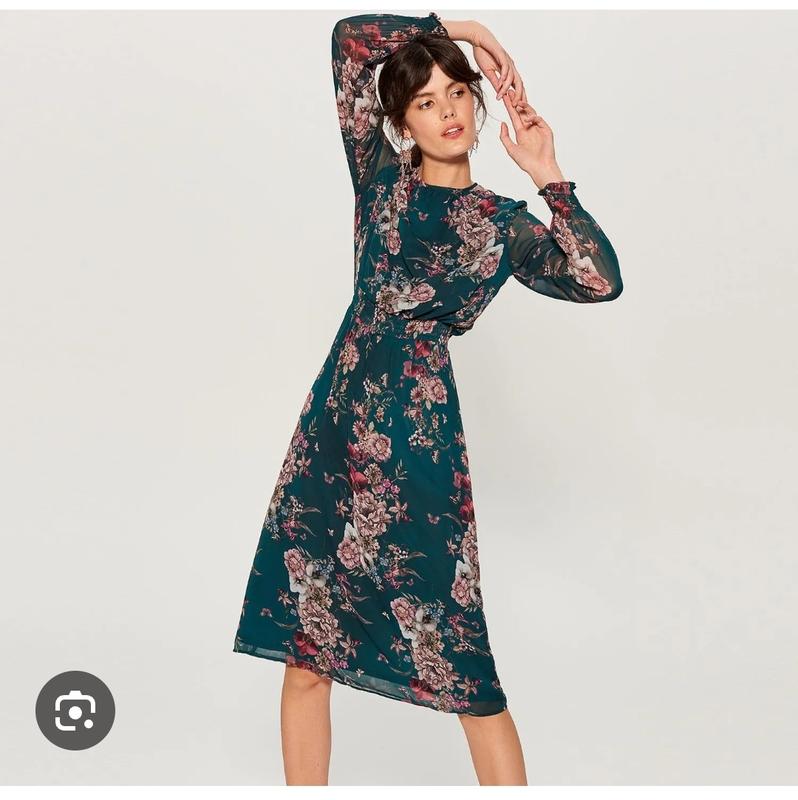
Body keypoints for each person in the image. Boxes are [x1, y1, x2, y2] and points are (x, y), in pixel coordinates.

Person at [233, 11, 623, 785]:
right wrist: (467, 30)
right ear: (402, 122)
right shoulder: (380, 180)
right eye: (425, 100)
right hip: (331, 437)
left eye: (458, 93)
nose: (447, 110)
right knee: (306, 657)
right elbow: (350, 40)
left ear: (477, 105)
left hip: (418, 450)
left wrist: (550, 178)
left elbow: (598, 280)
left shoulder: (502, 226)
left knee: (466, 674)